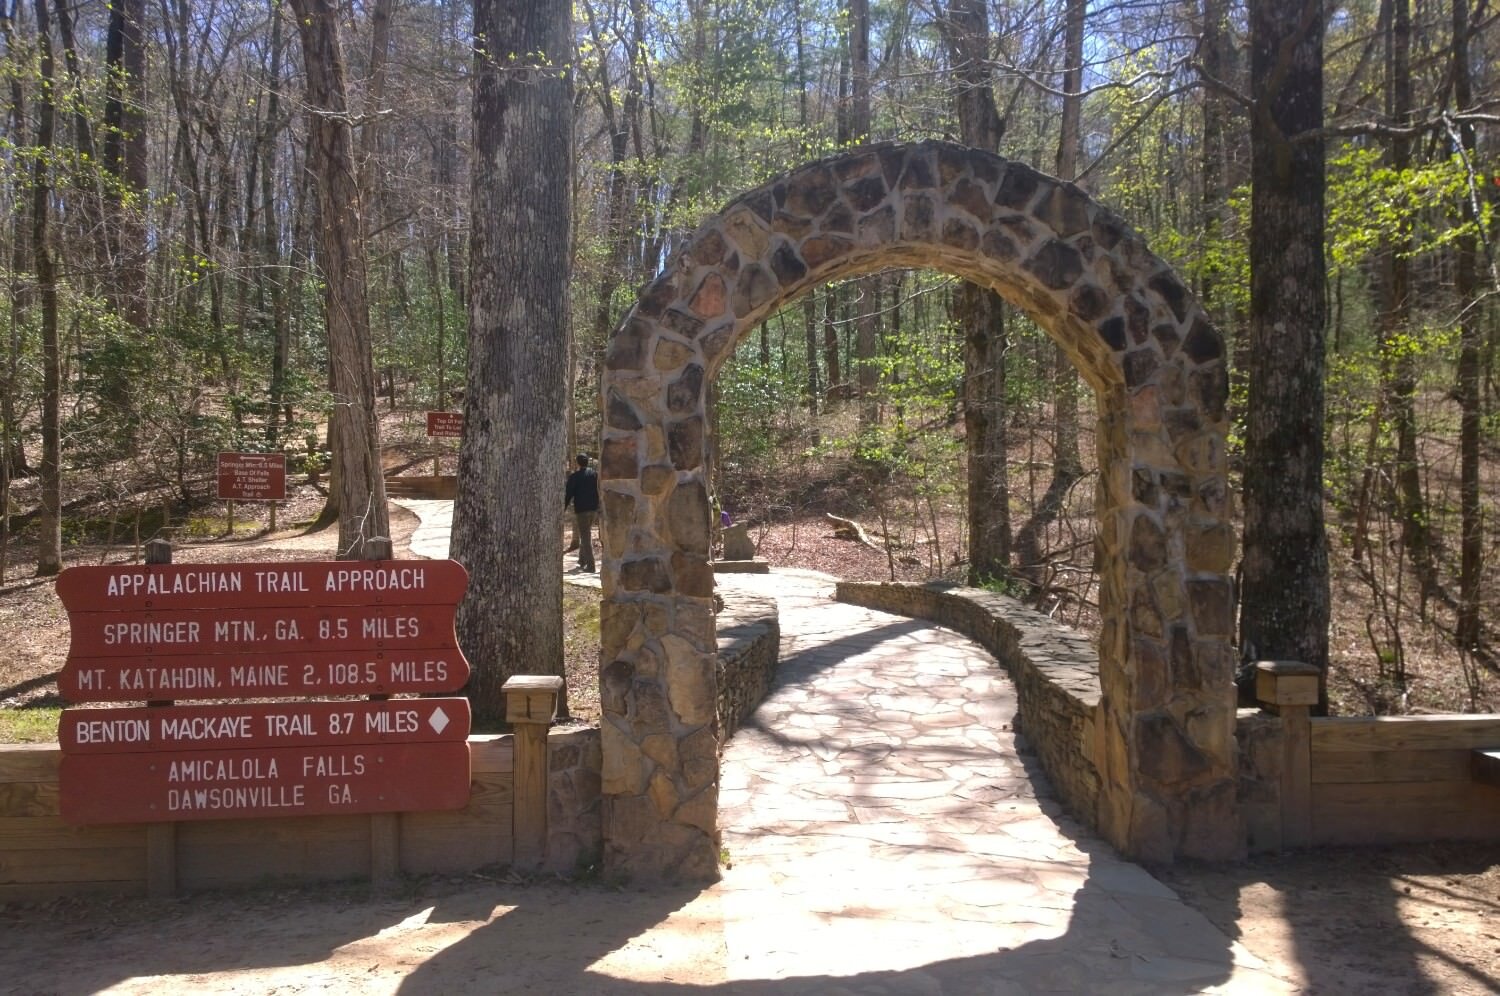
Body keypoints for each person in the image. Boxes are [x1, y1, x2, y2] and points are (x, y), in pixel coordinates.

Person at [564, 453, 599, 572]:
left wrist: (563, 508)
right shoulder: (594, 474)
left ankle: (591, 565)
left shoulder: (575, 477)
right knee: (586, 534)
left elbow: (568, 494)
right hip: (594, 509)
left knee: (585, 537)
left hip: (582, 510)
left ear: (578, 463)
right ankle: (582, 560)